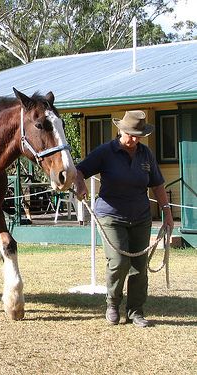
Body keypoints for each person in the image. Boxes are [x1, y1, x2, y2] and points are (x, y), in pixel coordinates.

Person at [74, 110, 174, 328]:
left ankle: (136, 311)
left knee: (139, 266)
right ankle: (112, 303)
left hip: (140, 217)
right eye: (131, 134)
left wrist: (167, 213)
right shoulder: (105, 152)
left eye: (139, 135)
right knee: (119, 261)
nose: (135, 139)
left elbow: (157, 184)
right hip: (110, 216)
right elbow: (79, 170)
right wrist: (80, 185)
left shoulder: (145, 154)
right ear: (121, 130)